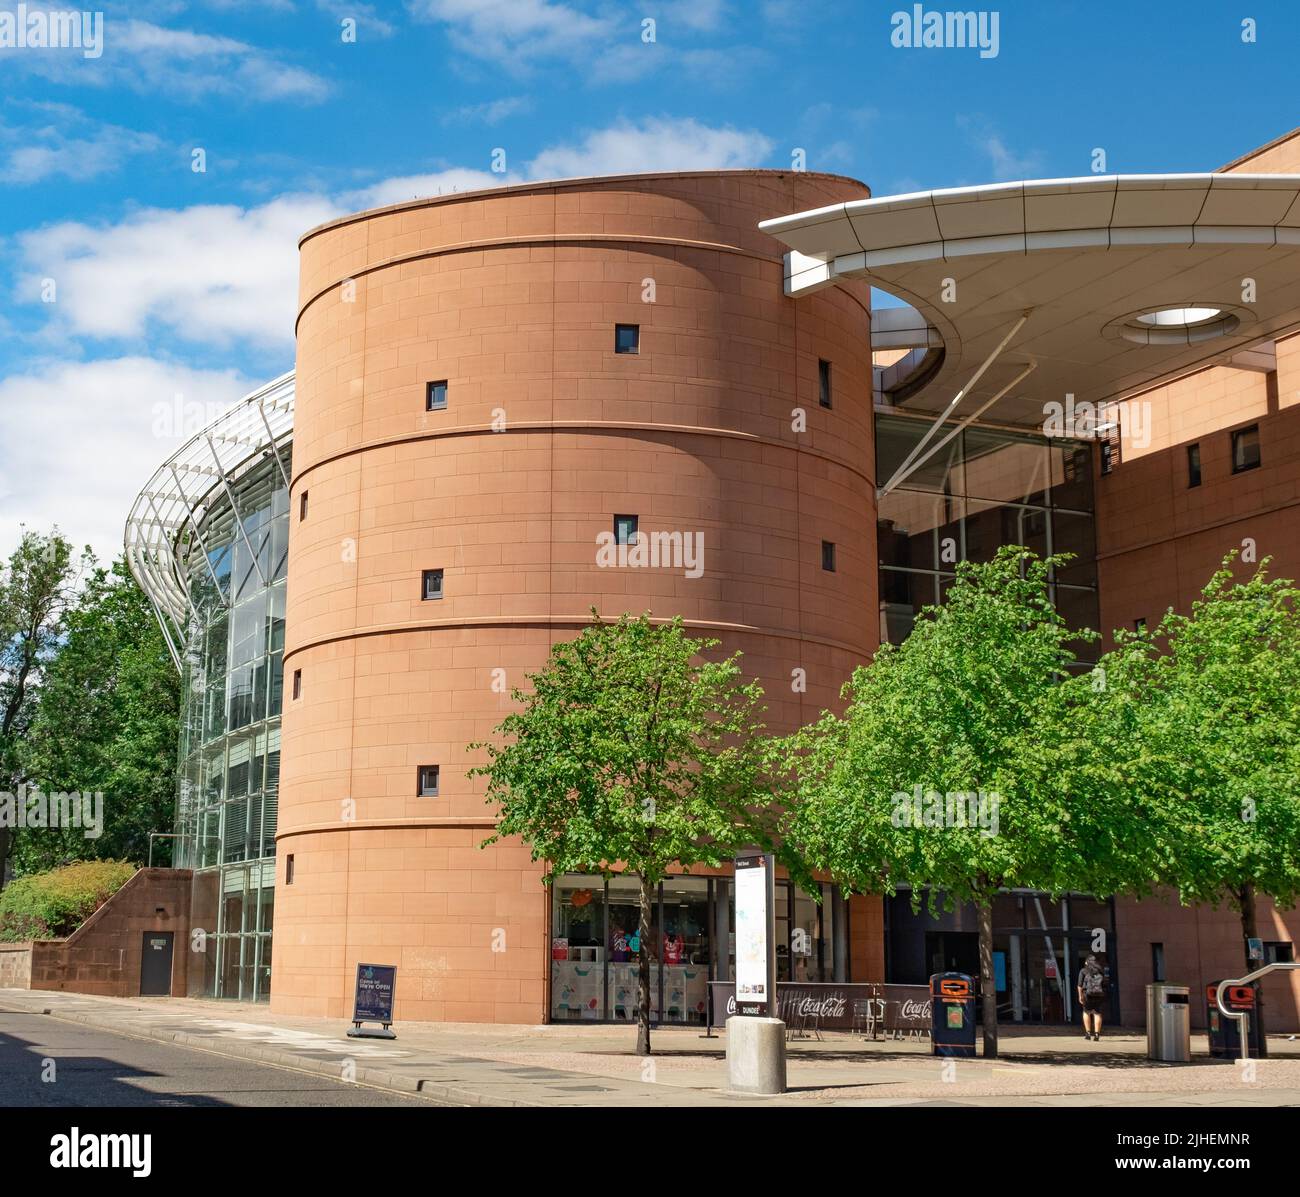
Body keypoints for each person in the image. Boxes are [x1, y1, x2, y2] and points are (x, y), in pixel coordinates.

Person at [1077, 953, 1108, 1041]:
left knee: (1086, 1012)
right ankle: (1097, 1035)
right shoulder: (1100, 971)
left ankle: (1088, 1034)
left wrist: (1080, 996)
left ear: (1087, 962)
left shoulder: (1083, 971)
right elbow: (1104, 984)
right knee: (1097, 1013)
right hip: (1099, 995)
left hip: (1088, 994)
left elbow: (1079, 985)